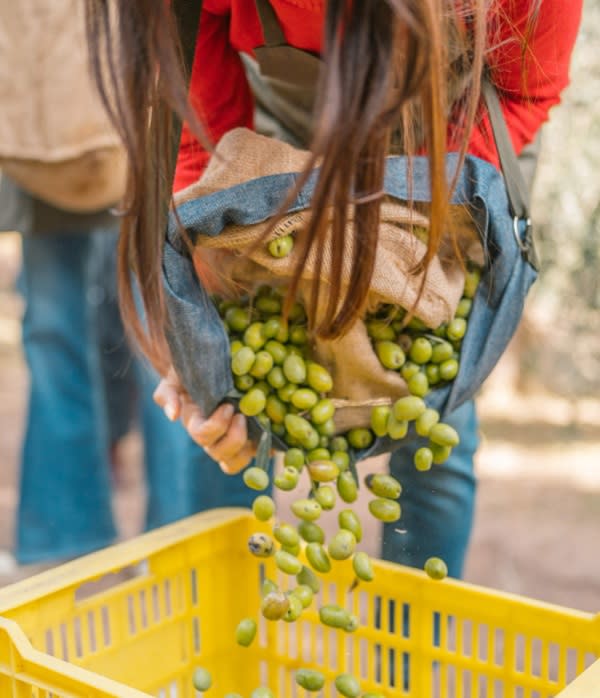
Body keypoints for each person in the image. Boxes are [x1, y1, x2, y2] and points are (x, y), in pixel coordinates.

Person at [85, 0, 582, 577]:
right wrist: (204, 316)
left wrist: (395, 241)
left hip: (462, 136)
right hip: (287, 128)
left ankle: (409, 652)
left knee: (435, 416)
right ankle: (226, 627)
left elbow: (526, 91)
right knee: (232, 401)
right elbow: (198, 127)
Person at [0, 0, 258, 567]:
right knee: (134, 321)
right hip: (83, 115)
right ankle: (125, 541)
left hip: (101, 107)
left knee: (100, 325)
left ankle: (100, 539)